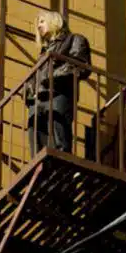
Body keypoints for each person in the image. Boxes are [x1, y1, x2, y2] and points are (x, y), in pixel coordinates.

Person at [24, 10, 91, 156]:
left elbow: (80, 65)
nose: (39, 26)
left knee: (58, 131)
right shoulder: (43, 53)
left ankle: (61, 160)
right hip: (39, 98)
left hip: (59, 92)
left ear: (54, 21)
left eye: (42, 21)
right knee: (35, 133)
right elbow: (34, 77)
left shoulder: (74, 39)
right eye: (38, 24)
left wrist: (51, 78)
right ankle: (40, 163)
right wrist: (29, 91)